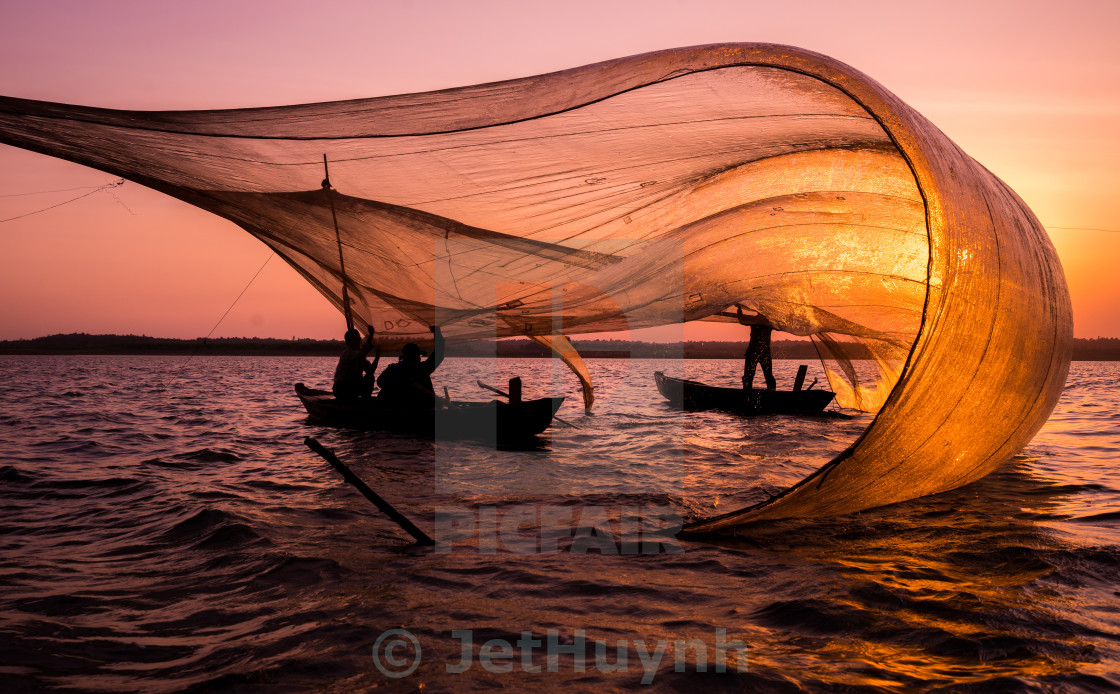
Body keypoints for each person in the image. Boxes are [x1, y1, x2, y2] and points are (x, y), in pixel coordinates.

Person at [376, 326, 446, 408]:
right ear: (417, 357)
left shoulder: (392, 368)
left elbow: (379, 382)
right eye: (419, 355)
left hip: (394, 407)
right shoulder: (421, 368)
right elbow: (438, 354)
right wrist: (437, 334)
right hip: (417, 407)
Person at [333, 325, 381, 400]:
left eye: (359, 339)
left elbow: (370, 371)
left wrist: (377, 356)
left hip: (354, 388)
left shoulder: (360, 355)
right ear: (348, 343)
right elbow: (364, 351)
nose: (359, 342)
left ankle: (365, 401)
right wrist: (371, 336)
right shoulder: (348, 353)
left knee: (370, 377)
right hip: (341, 389)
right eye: (355, 340)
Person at [737, 307, 776, 390]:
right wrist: (739, 309)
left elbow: (742, 320)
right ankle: (770, 392)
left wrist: (739, 310)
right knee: (753, 377)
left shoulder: (763, 321)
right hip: (759, 352)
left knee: (753, 376)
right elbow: (742, 320)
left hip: (756, 352)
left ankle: (748, 393)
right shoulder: (768, 322)